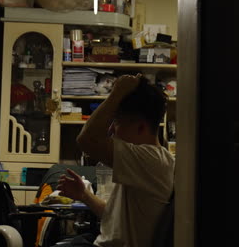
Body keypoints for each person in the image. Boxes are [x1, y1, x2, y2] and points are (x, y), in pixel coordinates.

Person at [55, 74, 175, 247]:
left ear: (141, 127)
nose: (111, 130)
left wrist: (118, 93)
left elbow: (87, 140)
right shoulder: (144, 162)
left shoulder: (151, 159)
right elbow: (115, 222)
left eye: (117, 122)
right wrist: (85, 196)